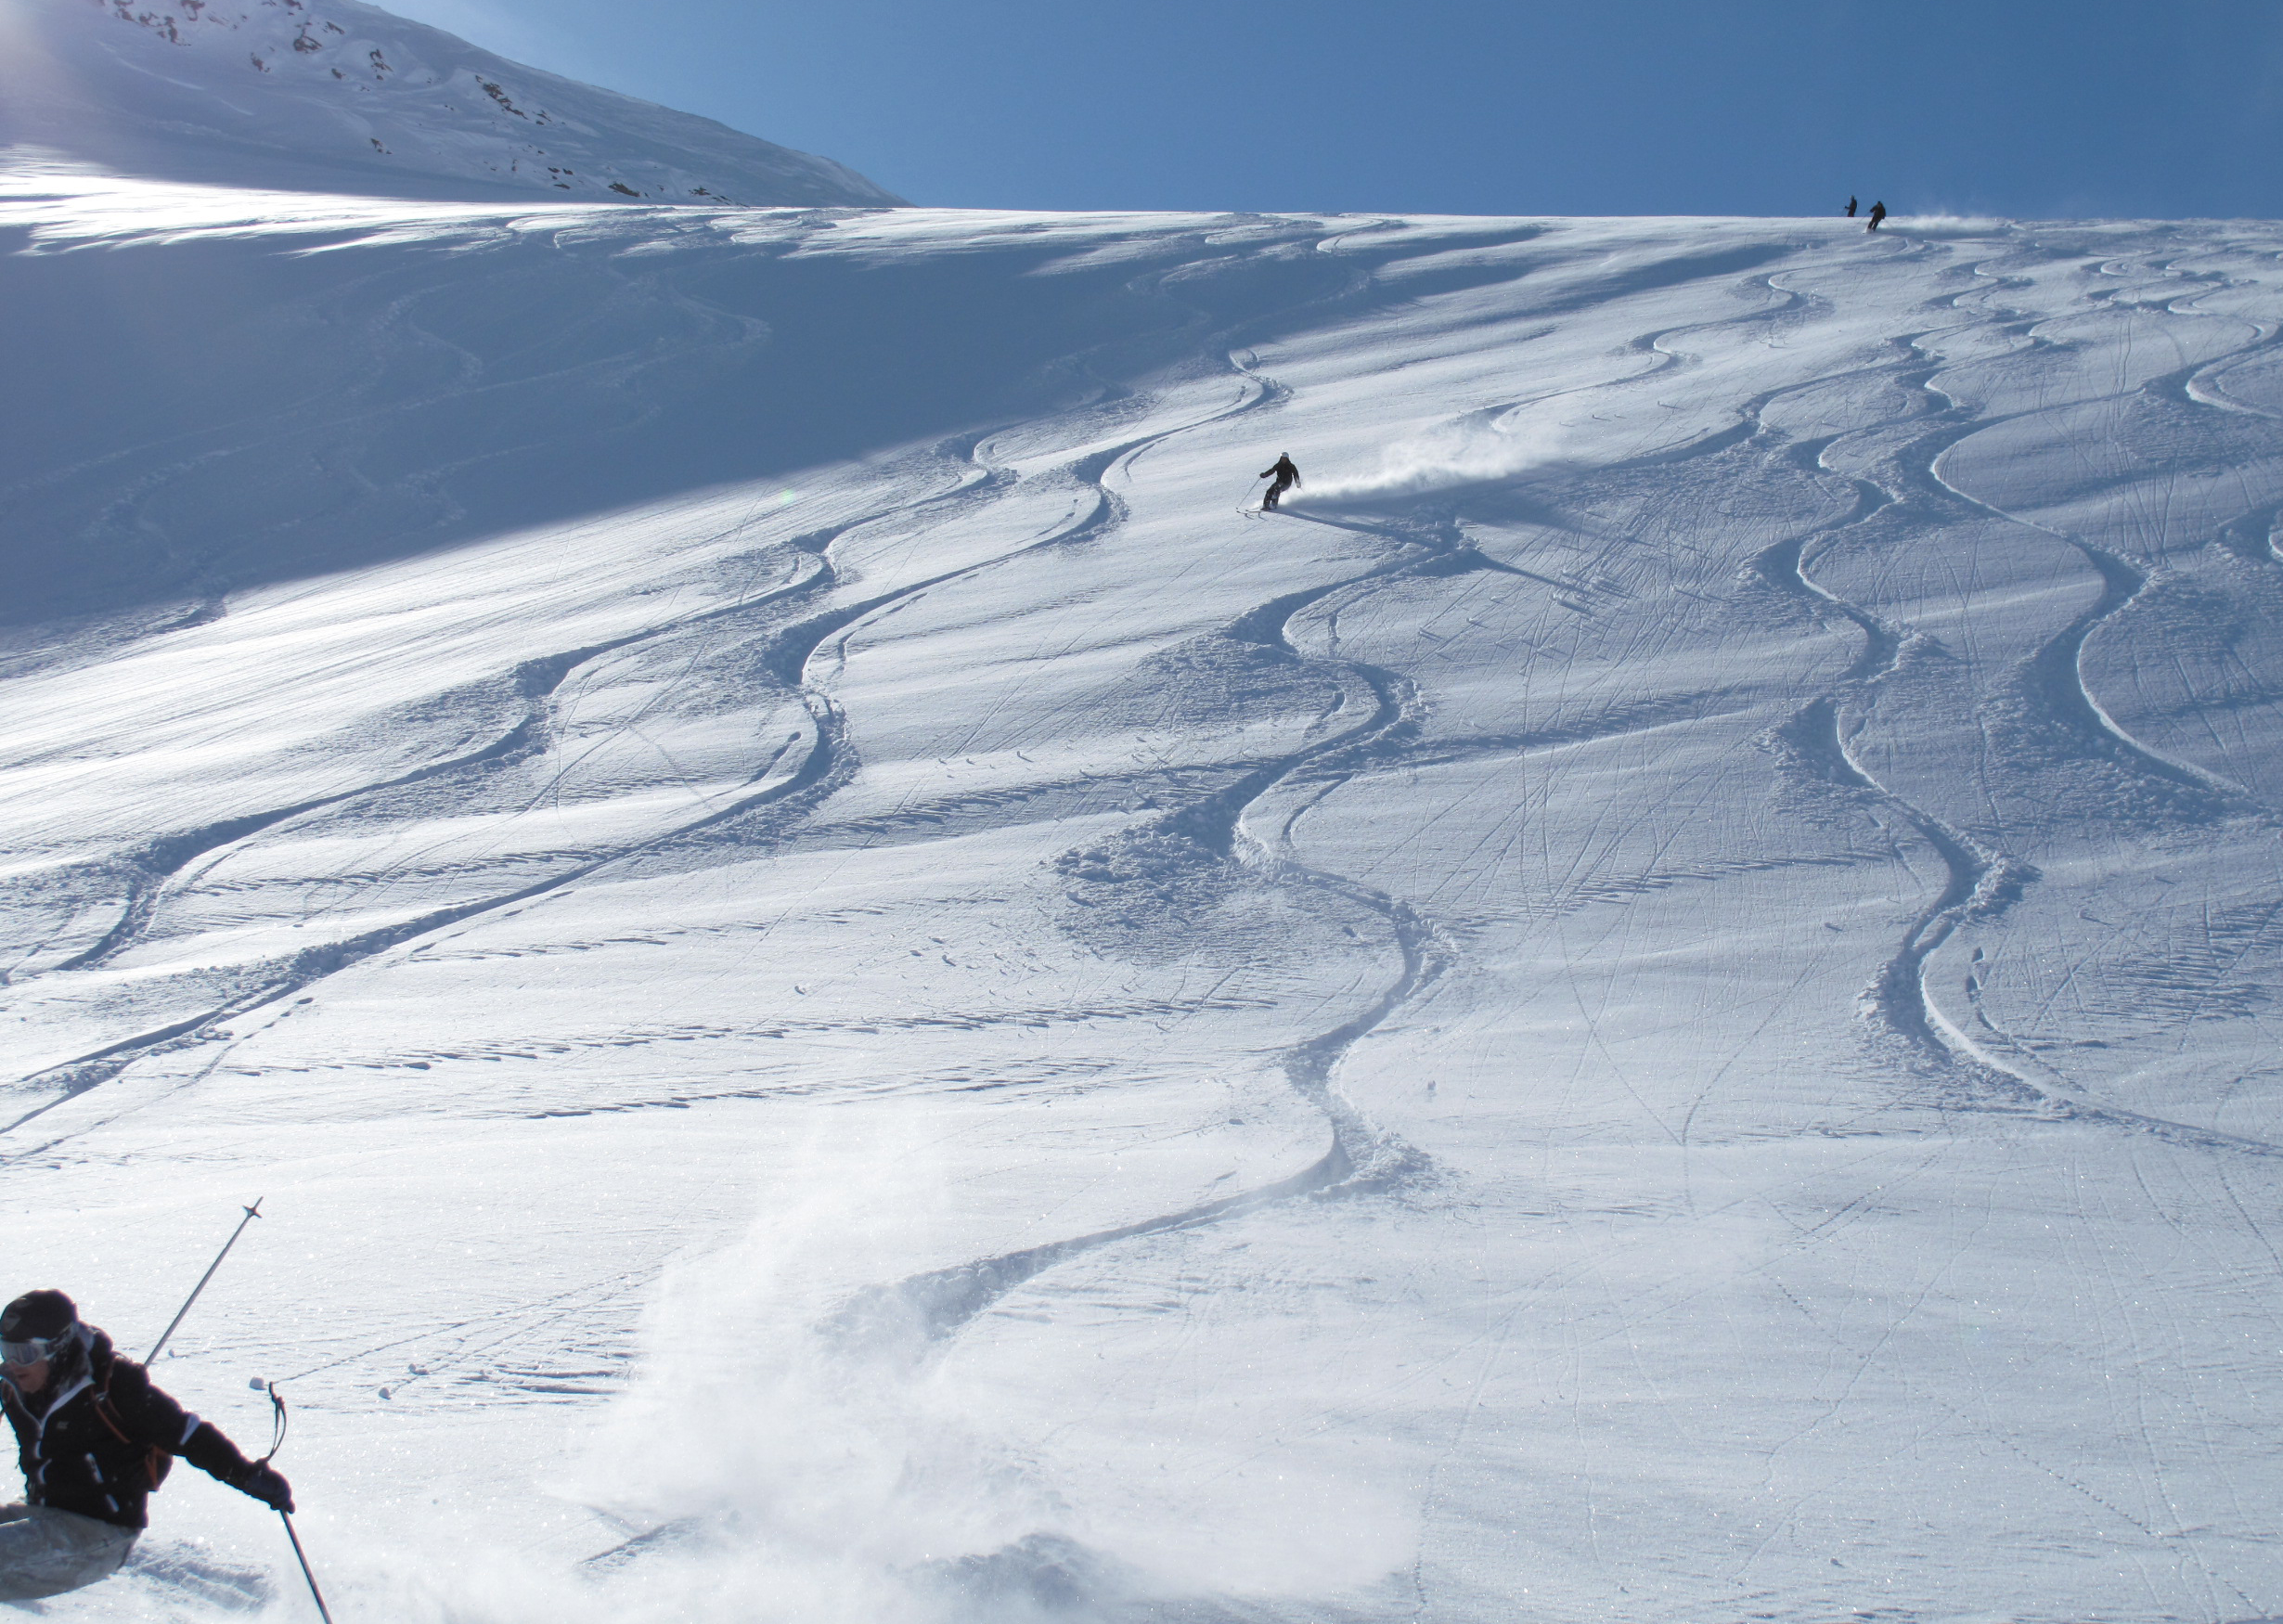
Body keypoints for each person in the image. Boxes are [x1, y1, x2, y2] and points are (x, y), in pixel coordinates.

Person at [0, 1290, 291, 1602]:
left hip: (98, 1534)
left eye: (26, 1354)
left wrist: (246, 1475)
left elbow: (187, 1434)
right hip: (42, 1511)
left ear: (57, 1348)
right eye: (6, 1350)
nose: (14, 1364)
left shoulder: (113, 1384)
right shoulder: (15, 1384)